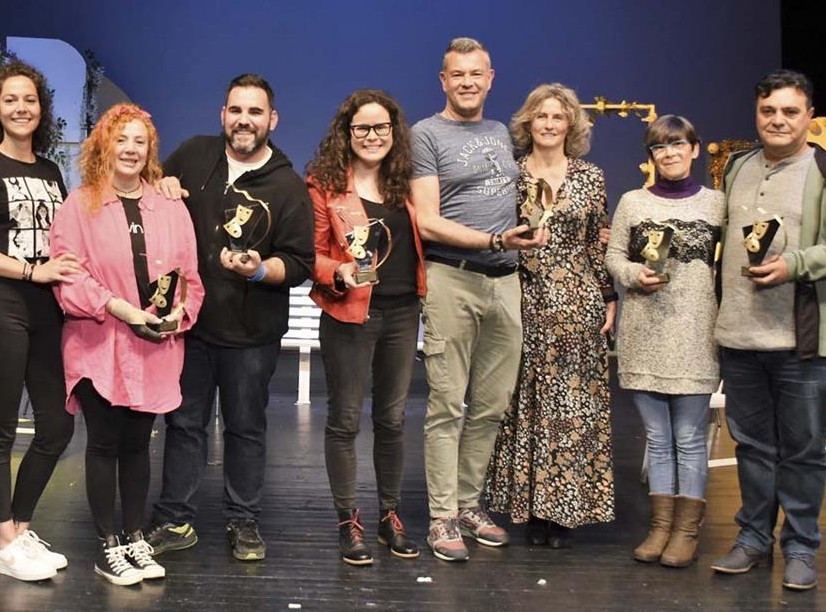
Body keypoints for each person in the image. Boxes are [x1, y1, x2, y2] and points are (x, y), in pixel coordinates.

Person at [709, 70, 826, 590]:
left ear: (809, 116)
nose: (777, 120)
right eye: (768, 111)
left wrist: (796, 264)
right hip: (741, 336)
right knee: (752, 447)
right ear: (756, 113)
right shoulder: (737, 167)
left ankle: (800, 547)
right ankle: (753, 539)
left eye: (789, 111)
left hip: (802, 339)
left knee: (803, 451)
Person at [146, 74, 315, 561]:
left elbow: (299, 263)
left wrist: (259, 269)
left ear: (272, 120)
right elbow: (150, 200)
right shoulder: (193, 155)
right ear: (223, 115)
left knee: (245, 428)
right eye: (236, 110)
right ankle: (175, 520)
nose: (244, 120)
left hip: (251, 334)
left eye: (254, 112)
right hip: (191, 326)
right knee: (184, 425)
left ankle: (243, 521)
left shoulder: (287, 185)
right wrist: (161, 182)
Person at [50, 104, 203, 585]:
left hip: (155, 350)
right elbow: (69, 278)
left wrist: (178, 314)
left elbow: (190, 278)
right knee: (104, 443)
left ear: (150, 150)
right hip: (98, 346)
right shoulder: (80, 205)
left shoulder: (171, 207)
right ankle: (108, 545)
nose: (131, 149)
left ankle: (135, 535)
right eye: (122, 139)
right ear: (103, 145)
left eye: (140, 141)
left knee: (138, 446)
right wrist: (121, 309)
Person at [409, 38, 546, 562]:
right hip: (453, 277)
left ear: (491, 79)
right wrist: (493, 240)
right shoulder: (426, 134)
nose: (467, 82)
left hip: (505, 281)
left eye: (476, 74)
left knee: (490, 406)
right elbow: (427, 220)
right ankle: (442, 516)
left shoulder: (502, 134)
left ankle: (469, 504)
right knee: (447, 404)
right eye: (457, 74)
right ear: (443, 81)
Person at [0, 61, 81, 582]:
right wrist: (30, 270)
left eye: (30, 99)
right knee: (0, 428)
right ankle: (4, 541)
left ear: (41, 109)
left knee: (57, 425)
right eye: (11, 99)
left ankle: (19, 529)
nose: (21, 108)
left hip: (45, 308)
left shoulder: (51, 172)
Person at [482, 83, 617, 548]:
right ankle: (532, 510)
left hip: (578, 303)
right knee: (525, 406)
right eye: (541, 115)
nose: (549, 124)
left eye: (558, 117)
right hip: (523, 298)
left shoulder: (590, 177)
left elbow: (596, 240)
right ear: (528, 122)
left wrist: (608, 294)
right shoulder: (511, 174)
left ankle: (565, 512)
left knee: (572, 409)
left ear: (571, 125)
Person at [306, 89, 426, 565]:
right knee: (345, 420)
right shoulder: (326, 185)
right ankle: (348, 521)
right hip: (350, 315)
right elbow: (310, 254)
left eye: (381, 127)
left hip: (403, 313)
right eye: (362, 128)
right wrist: (336, 271)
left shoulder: (406, 184)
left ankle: (389, 517)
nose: (372, 136)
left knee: (392, 420)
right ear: (347, 132)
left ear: (394, 132)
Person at [605, 114, 724, 567]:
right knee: (657, 438)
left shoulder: (717, 204)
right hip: (645, 331)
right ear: (650, 156)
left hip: (696, 333)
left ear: (694, 149)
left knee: (690, 437)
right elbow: (614, 256)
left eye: (678, 145)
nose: (669, 154)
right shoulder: (633, 202)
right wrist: (634, 273)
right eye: (659, 147)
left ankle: (686, 532)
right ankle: (659, 528)